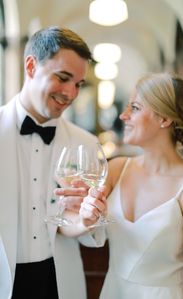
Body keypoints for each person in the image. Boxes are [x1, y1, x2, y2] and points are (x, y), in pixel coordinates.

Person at [0, 26, 106, 299]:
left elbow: (68, 223)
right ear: (32, 66)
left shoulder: (86, 143)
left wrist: (85, 219)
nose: (70, 93)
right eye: (63, 78)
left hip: (59, 282)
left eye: (78, 84)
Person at [80, 72, 183, 298]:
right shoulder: (116, 169)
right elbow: (85, 226)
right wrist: (86, 217)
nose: (123, 116)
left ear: (164, 119)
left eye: (134, 108)